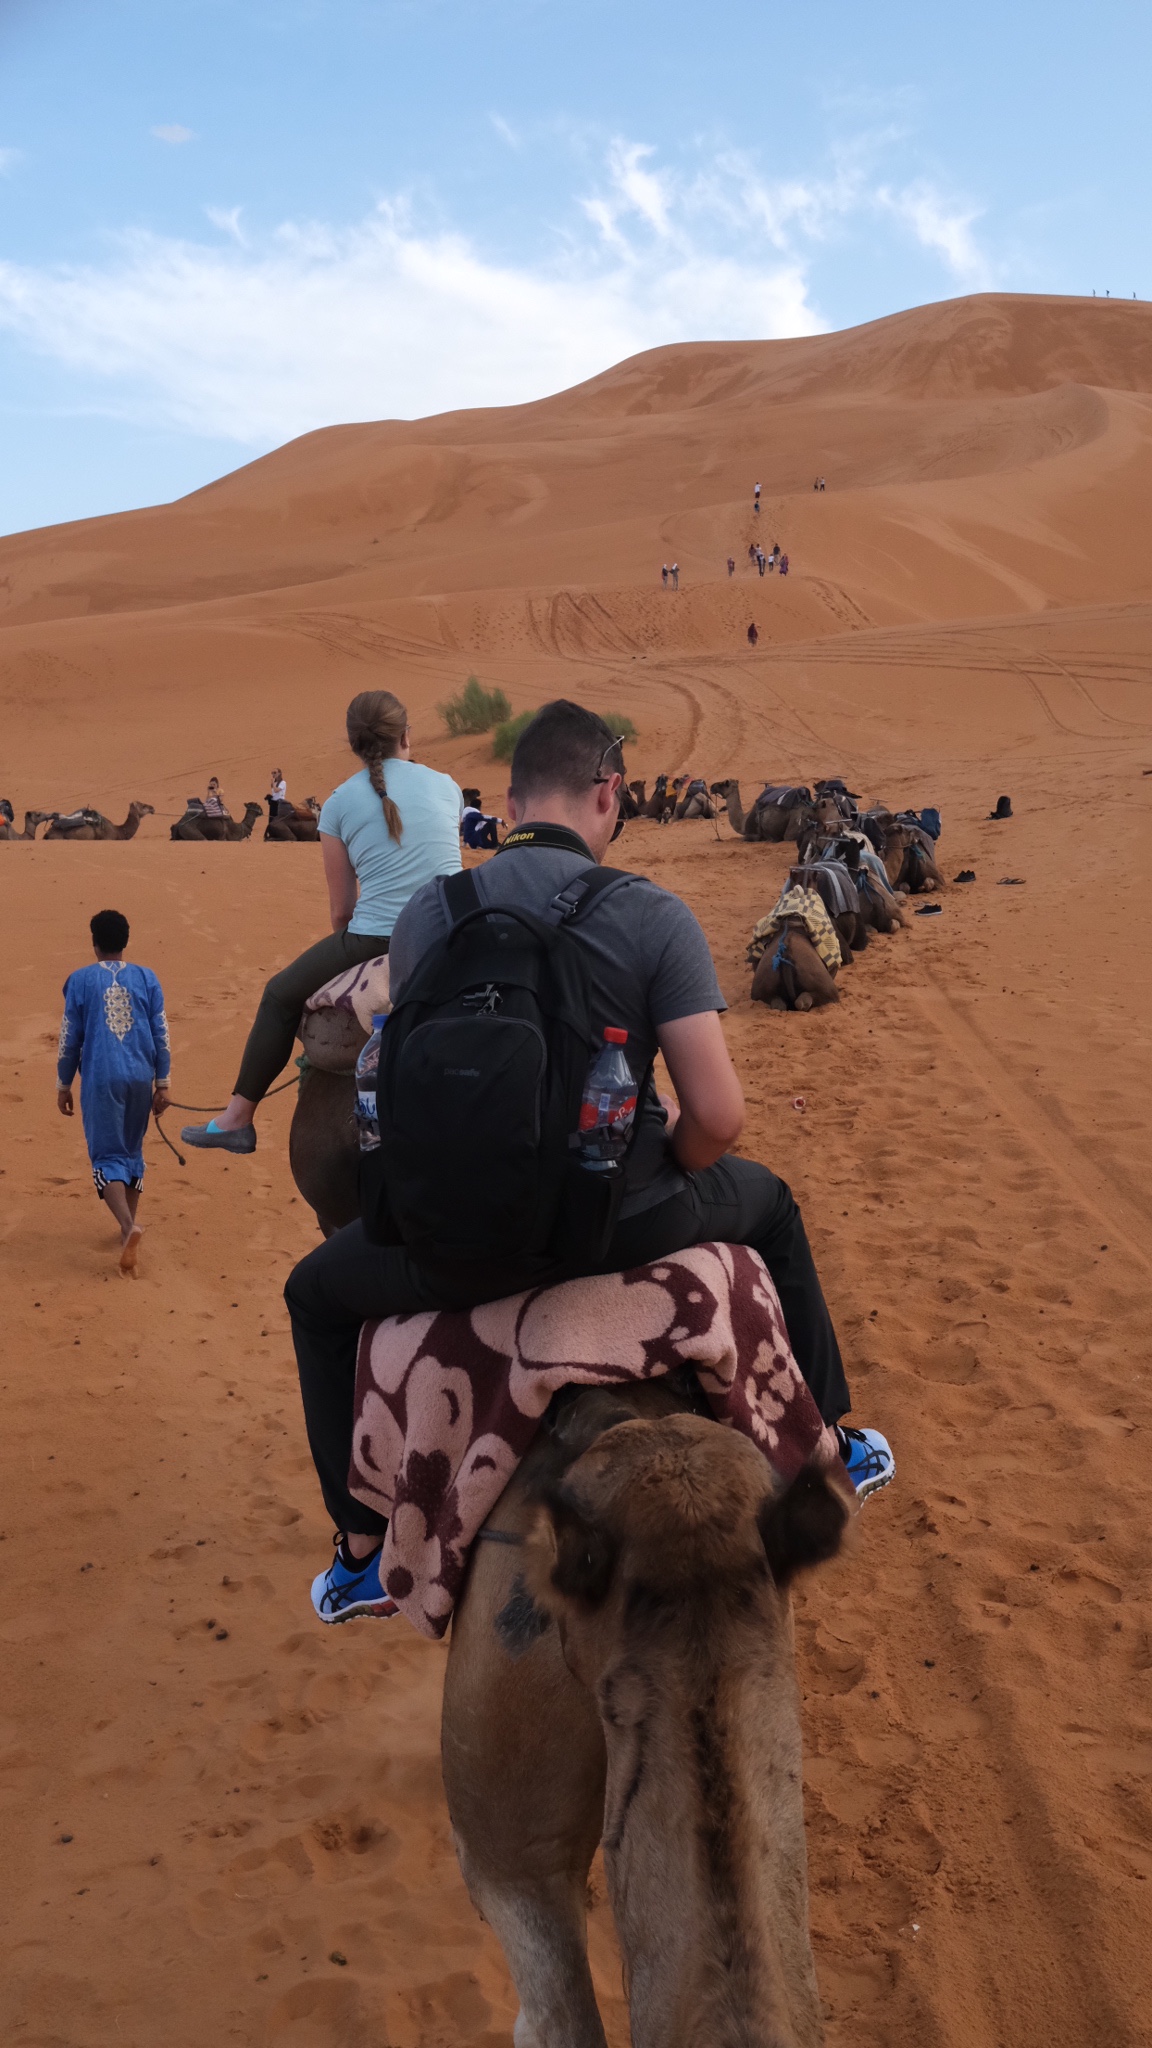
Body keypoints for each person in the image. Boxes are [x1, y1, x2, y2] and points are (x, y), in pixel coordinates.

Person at [285, 699, 893, 1623]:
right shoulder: (649, 914)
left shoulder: (426, 917)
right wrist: (670, 1162)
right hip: (617, 1223)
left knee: (313, 1297)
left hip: (445, 1241)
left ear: (510, 803)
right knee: (771, 1207)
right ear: (607, 794)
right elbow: (719, 1117)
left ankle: (362, 1553)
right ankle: (836, 1449)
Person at [181, 690, 462, 1154]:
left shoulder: (338, 803)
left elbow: (341, 912)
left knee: (278, 995)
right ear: (406, 736)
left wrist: (353, 967)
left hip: (374, 938)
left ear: (354, 744)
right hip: (452, 935)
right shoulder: (447, 786)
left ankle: (237, 1119)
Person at [57, 910, 171, 1274]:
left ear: (95, 943)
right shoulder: (147, 978)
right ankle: (126, 1230)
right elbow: (161, 1033)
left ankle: (127, 1224)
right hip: (140, 1075)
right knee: (131, 1150)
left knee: (107, 1154)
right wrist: (163, 1082)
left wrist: (63, 1084)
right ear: (126, 941)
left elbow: (70, 1040)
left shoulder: (80, 980)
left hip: (101, 1077)